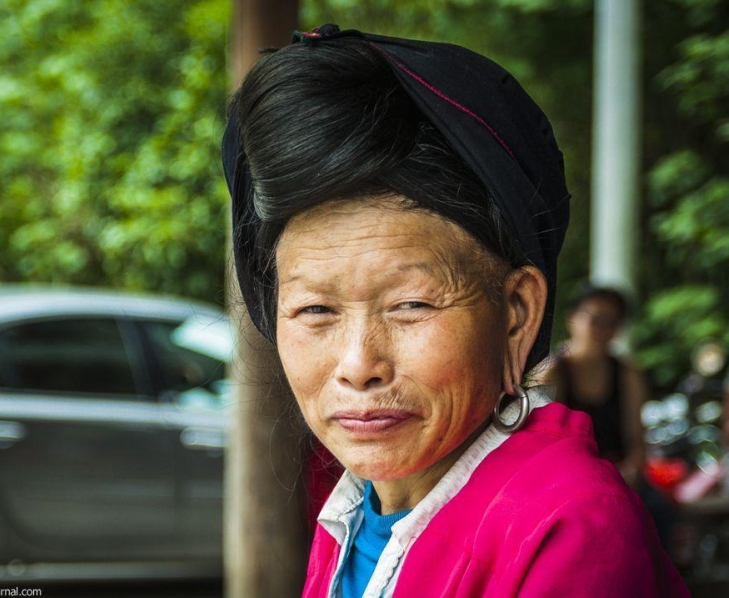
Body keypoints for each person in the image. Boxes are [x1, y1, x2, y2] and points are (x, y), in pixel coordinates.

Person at [222, 24, 688, 597]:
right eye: (316, 308)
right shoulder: (356, 510)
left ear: (516, 312)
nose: (358, 364)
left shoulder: (569, 527)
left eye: (411, 304)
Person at [541, 286, 647, 486]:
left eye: (611, 322)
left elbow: (637, 441)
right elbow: (545, 442)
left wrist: (628, 472)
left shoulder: (628, 374)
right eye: (595, 319)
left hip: (619, 478)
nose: (602, 329)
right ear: (572, 319)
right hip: (567, 479)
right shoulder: (551, 373)